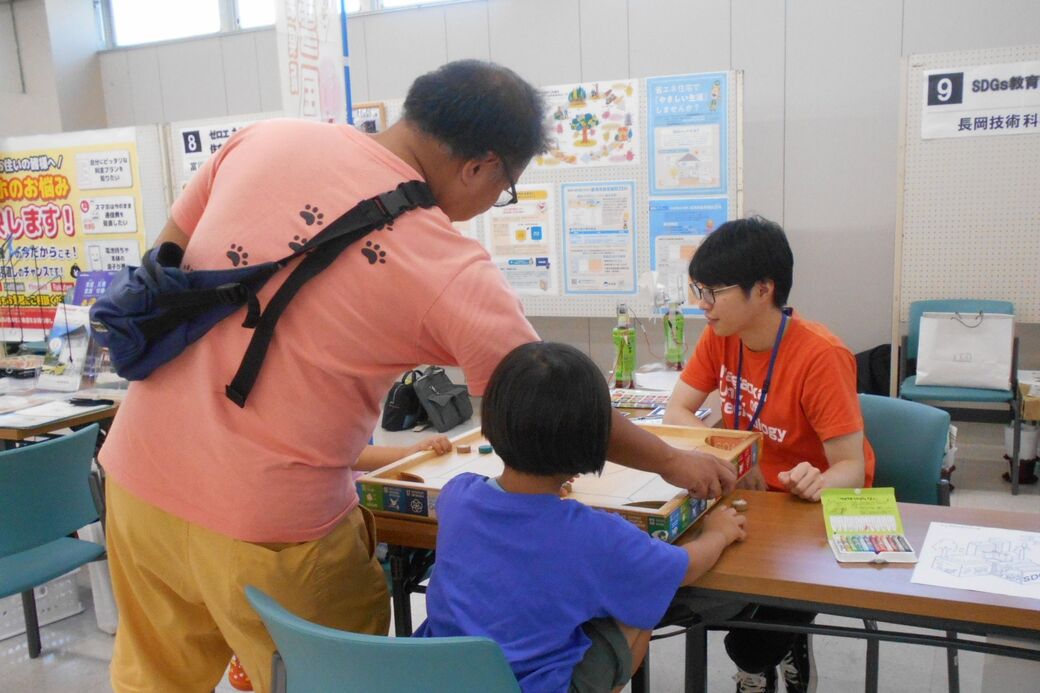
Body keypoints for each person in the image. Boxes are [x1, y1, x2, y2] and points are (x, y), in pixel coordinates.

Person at [99, 60, 737, 693]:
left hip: (138, 475)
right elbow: (548, 404)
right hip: (270, 526)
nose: (494, 202)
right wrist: (671, 464)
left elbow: (166, 272)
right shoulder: (450, 269)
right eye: (504, 188)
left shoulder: (269, 138)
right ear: (480, 165)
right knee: (344, 685)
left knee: (153, 680)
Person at [416, 341, 748, 693]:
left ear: (492, 419)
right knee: (636, 606)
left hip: (441, 678)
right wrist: (720, 533)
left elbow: (506, 535)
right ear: (594, 440)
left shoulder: (457, 495)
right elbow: (680, 568)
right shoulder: (595, 536)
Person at [663, 216, 875, 693]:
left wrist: (814, 482)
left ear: (763, 289)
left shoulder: (820, 355)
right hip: (746, 493)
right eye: (699, 288)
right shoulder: (720, 337)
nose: (702, 304)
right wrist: (735, 457)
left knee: (750, 640)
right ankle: (775, 643)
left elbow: (851, 469)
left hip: (807, 503)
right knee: (680, 584)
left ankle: (772, 651)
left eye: (714, 291)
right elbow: (679, 409)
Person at [226, 434, 453, 691]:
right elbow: (331, 448)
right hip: (326, 541)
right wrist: (402, 455)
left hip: (266, 564)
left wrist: (404, 454)